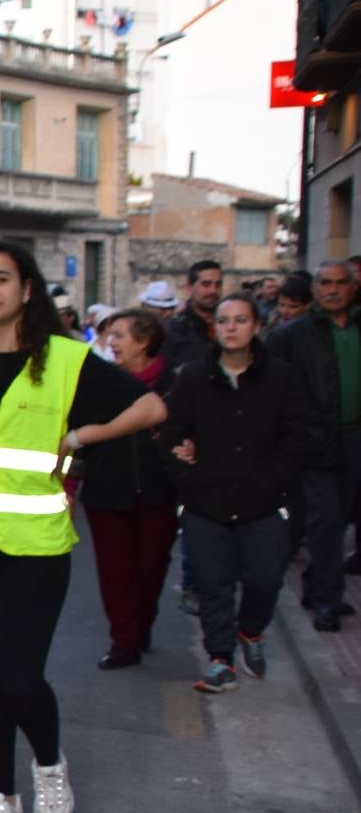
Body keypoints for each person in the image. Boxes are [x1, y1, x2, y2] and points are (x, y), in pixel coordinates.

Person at [0, 242, 165, 813]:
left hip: (36, 543)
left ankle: (49, 766)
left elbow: (151, 405)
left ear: (28, 289)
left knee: (19, 677)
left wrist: (81, 434)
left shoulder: (67, 360)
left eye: (2, 279)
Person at [163, 293, 315, 692]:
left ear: (257, 326)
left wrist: (276, 480)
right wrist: (187, 475)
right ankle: (220, 659)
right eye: (224, 320)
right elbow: (171, 434)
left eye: (241, 320)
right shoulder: (194, 376)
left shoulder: (281, 377)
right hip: (205, 503)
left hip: (264, 502)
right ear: (215, 327)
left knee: (265, 579)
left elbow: (297, 436)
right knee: (214, 583)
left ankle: (250, 631)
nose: (231, 327)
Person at [80, 308, 179, 669]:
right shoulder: (103, 381)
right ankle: (124, 640)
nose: (111, 343)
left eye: (120, 336)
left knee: (151, 568)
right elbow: (78, 437)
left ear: (144, 342)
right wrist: (66, 483)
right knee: (115, 570)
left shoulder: (176, 381)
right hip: (107, 490)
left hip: (159, 491)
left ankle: (141, 625)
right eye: (110, 335)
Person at [266, 258, 361, 630]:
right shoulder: (292, 335)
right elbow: (271, 387)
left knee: (342, 519)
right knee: (326, 521)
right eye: (325, 283)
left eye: (341, 282)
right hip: (316, 442)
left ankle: (317, 587)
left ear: (353, 287)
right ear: (315, 289)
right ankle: (327, 599)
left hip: (355, 438)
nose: (333, 289)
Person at [163, 260, 225, 369]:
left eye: (218, 285)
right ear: (189, 287)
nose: (213, 290)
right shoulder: (174, 331)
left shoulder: (229, 325)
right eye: (206, 284)